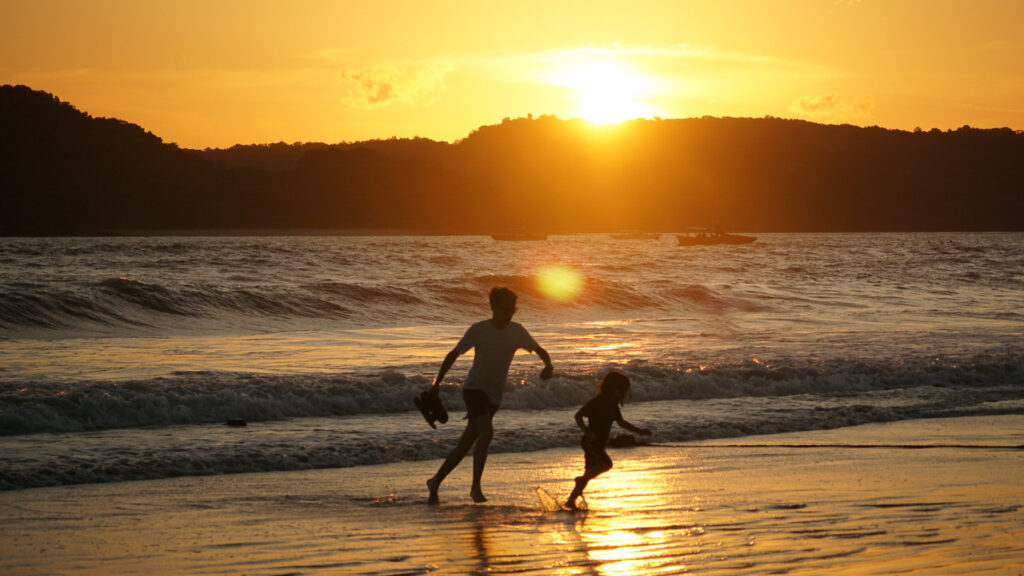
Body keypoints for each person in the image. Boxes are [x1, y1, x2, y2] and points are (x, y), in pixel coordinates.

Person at [426, 286, 553, 504]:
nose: (509, 314)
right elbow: (453, 355)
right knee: (487, 432)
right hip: (474, 390)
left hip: (494, 395)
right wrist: (436, 384)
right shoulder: (479, 330)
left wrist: (548, 365)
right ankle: (475, 488)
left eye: (513, 310)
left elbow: (540, 350)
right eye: (506, 310)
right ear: (493, 307)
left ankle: (435, 481)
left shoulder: (517, 331)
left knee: (465, 445)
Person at [565, 371, 651, 510]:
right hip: (591, 442)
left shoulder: (613, 405)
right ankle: (580, 481)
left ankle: (570, 500)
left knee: (589, 472)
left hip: (599, 443)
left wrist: (639, 431)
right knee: (606, 464)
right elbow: (578, 416)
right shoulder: (597, 402)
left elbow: (621, 423)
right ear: (612, 388)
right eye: (622, 390)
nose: (623, 393)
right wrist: (588, 433)